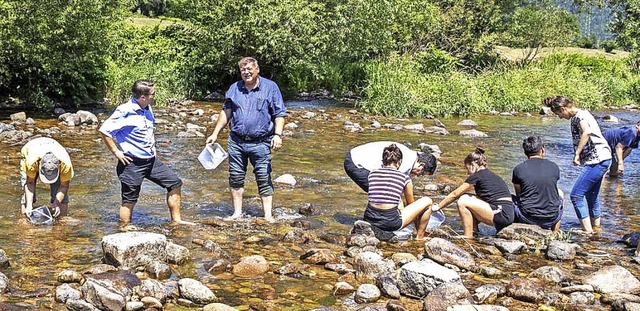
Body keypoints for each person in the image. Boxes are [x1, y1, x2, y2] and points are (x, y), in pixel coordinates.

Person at [99, 79, 193, 225]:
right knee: (129, 200)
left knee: (175, 183)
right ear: (143, 97)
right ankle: (125, 228)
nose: (154, 96)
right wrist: (117, 152)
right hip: (131, 163)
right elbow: (105, 131)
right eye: (152, 94)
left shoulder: (147, 107)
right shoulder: (124, 111)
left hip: (151, 160)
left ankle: (177, 221)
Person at [205, 57, 287, 222]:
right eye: (243, 70)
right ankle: (237, 213)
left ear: (257, 69)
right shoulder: (234, 88)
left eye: (249, 69)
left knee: (264, 176)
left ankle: (268, 216)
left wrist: (278, 135)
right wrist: (215, 133)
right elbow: (226, 112)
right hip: (236, 141)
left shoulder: (271, 87)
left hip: (261, 142)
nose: (246, 72)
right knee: (235, 176)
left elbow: (280, 114)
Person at [543, 95, 611, 233]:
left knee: (576, 195)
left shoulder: (579, 117)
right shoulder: (583, 113)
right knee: (592, 195)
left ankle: (587, 231)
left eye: (558, 114)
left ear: (563, 109)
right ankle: (596, 228)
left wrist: (577, 154)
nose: (560, 117)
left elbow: (587, 132)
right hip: (604, 158)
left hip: (597, 160)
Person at [432, 147, 514, 239]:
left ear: (472, 165)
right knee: (469, 197)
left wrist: (438, 207)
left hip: (502, 215)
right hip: (507, 212)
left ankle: (468, 236)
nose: (468, 173)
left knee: (463, 200)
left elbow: (455, 194)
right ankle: (474, 231)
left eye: (467, 169)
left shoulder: (477, 175)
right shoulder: (490, 175)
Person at [363, 144, 434, 239]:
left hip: (369, 219)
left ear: (383, 161)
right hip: (390, 223)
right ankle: (420, 237)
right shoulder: (404, 177)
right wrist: (416, 225)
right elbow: (410, 204)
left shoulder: (372, 173)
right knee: (428, 201)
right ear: (399, 162)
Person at [344, 141, 437, 204]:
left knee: (384, 196)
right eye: (421, 173)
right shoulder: (406, 164)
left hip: (354, 155)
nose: (417, 176)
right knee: (385, 194)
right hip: (356, 163)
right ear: (422, 164)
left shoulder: (408, 154)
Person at [512, 136, 564, 232]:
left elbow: (519, 194)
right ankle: (554, 233)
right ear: (542, 150)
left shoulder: (518, 169)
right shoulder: (554, 167)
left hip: (527, 217)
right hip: (551, 218)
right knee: (560, 192)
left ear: (525, 152)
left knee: (509, 198)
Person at [20, 137, 74, 218]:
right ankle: (25, 221)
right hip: (32, 147)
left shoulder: (66, 165)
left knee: (62, 200)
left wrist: (56, 203)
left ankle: (62, 222)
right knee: (27, 198)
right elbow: (29, 183)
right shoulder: (31, 162)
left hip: (53, 146)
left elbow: (64, 186)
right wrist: (29, 206)